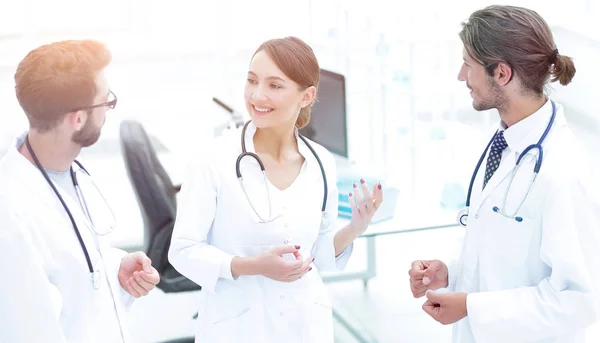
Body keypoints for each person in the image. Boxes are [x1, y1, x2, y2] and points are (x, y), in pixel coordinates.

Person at [168, 36, 384, 343]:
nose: (258, 95)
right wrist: (253, 266)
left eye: (275, 85)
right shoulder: (213, 160)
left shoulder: (321, 163)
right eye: (252, 81)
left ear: (306, 96)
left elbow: (319, 256)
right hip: (238, 328)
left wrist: (355, 228)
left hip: (305, 325)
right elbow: (183, 250)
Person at [408, 5, 600, 343]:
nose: (460, 76)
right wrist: (450, 271)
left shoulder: (563, 171)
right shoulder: (507, 142)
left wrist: (473, 307)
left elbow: (580, 302)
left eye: (468, 65)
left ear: (502, 73)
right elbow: (502, 248)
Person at [0, 40, 160, 343]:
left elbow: (70, 265)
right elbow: (28, 330)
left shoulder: (67, 170)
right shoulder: (10, 213)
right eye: (106, 102)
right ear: (78, 118)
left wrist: (115, 268)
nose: (108, 110)